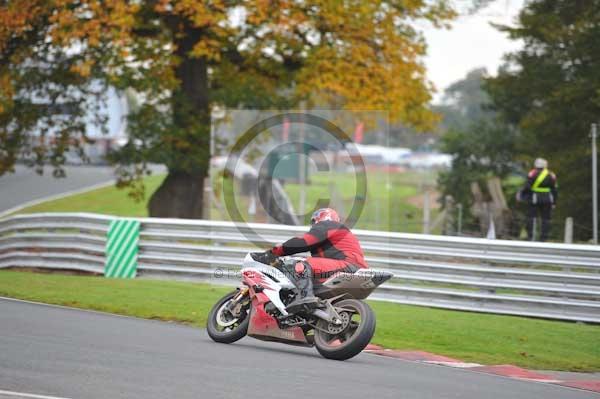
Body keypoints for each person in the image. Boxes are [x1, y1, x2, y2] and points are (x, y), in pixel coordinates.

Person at [255, 208, 368, 312]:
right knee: (307, 273)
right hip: (353, 269)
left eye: (314, 222)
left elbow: (302, 242)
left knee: (299, 263)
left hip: (346, 265)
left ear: (320, 218)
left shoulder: (328, 225)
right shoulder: (339, 232)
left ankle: (305, 297)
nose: (313, 226)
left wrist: (274, 252)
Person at [519, 158, 558, 241]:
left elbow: (527, 186)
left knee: (531, 218)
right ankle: (544, 238)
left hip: (534, 199)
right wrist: (554, 202)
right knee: (546, 219)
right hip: (548, 199)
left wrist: (523, 196)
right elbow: (554, 190)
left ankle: (531, 236)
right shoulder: (551, 174)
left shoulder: (532, 173)